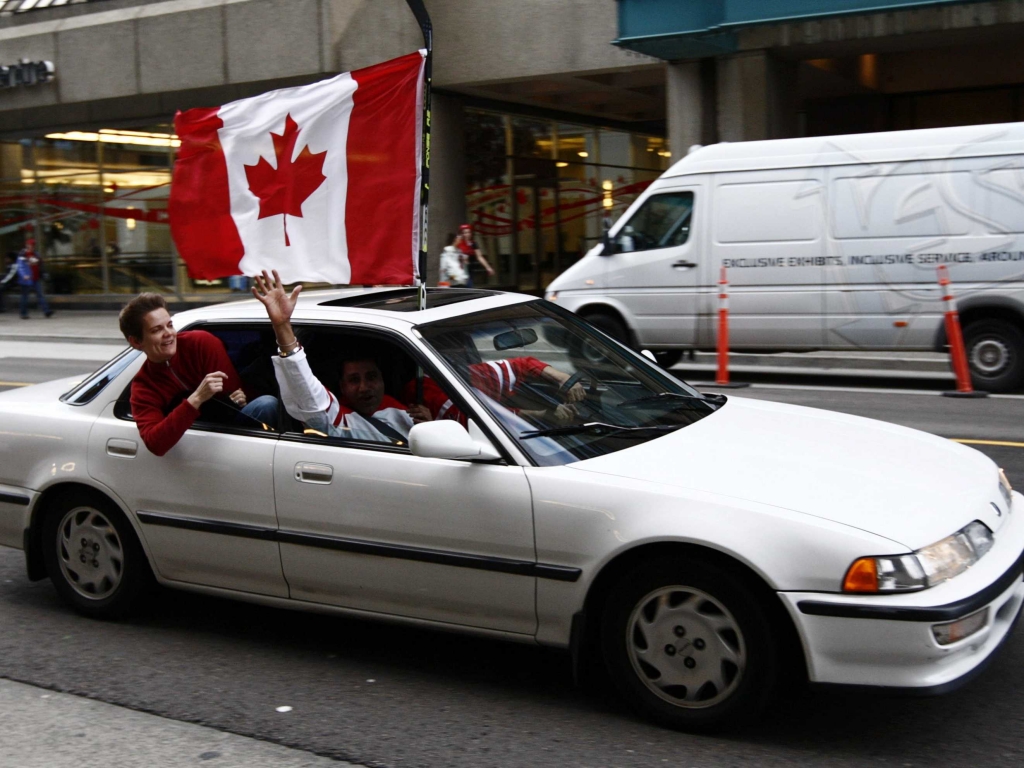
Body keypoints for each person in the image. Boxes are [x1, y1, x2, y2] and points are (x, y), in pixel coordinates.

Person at [251, 270, 430, 444]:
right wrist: (282, 326)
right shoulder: (337, 420)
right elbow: (306, 391)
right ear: (342, 387)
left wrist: (431, 427)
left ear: (383, 380)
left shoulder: (407, 414)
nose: (364, 387)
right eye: (354, 380)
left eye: (371, 376)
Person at [119, 292, 279, 456]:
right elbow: (155, 444)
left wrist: (240, 399)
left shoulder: (200, 342)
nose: (168, 333)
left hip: (233, 434)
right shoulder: (143, 385)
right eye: (156, 330)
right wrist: (196, 398)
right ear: (136, 342)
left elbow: (235, 397)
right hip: (194, 451)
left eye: (170, 325)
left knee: (266, 404)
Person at [15, 239, 52, 319]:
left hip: (35, 278)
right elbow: (20, 267)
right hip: (26, 279)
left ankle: (46, 311)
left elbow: (40, 265)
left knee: (40, 295)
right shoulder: (22, 255)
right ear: (27, 245)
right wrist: (24, 275)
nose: (31, 247)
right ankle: (23, 313)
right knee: (25, 296)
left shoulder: (36, 254)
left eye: (33, 245)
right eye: (30, 245)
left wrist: (43, 273)